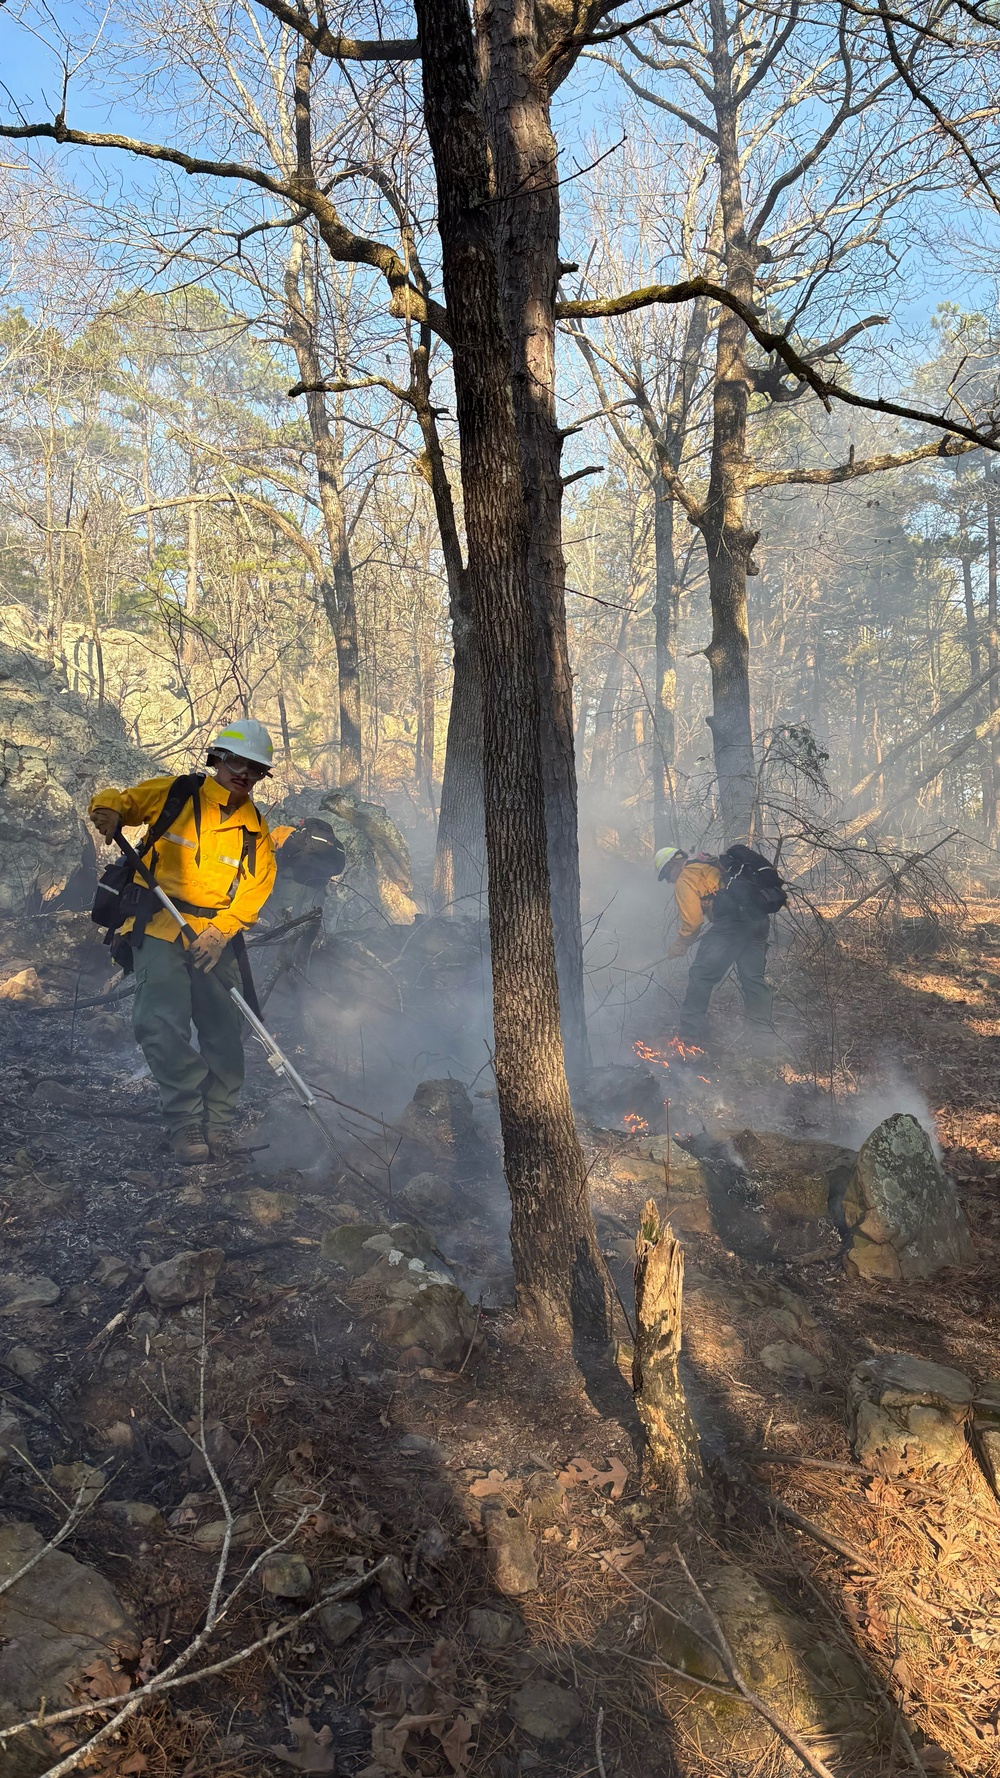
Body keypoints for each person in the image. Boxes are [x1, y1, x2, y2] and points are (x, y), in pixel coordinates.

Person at [89, 720, 278, 1164]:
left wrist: (219, 933)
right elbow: (121, 801)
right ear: (217, 759)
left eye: (254, 768)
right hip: (156, 925)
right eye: (236, 761)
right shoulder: (179, 794)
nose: (243, 773)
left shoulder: (255, 830)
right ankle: (185, 1124)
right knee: (160, 1024)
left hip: (214, 936)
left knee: (225, 1034)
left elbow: (255, 892)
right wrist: (108, 811)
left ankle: (220, 1126)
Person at [654, 844, 777, 1049]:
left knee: (701, 975)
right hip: (758, 921)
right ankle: (762, 1039)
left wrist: (681, 944)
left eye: (666, 874)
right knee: (753, 980)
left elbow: (692, 922)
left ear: (674, 862)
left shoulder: (685, 877)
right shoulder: (708, 864)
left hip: (733, 924)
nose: (668, 880)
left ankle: (689, 1036)